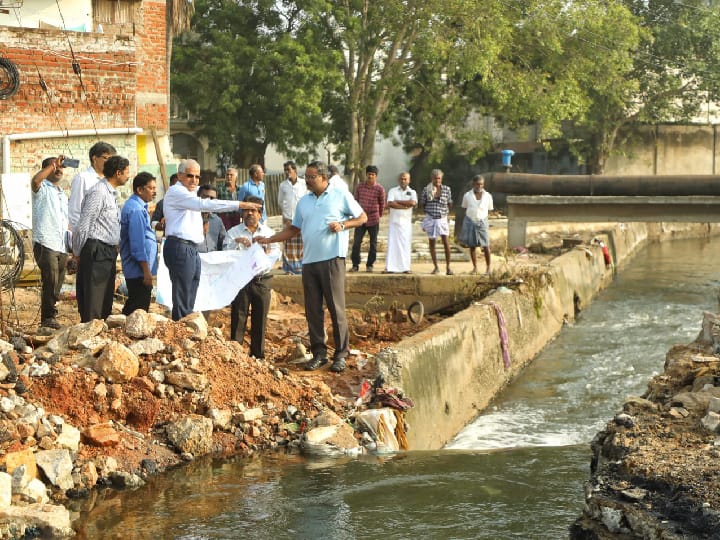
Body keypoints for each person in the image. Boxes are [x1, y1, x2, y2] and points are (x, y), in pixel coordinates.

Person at [257, 160, 367, 373]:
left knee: (336, 309)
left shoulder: (339, 195)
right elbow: (293, 229)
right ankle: (319, 353)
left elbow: (362, 217)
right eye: (306, 176)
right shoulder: (304, 201)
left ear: (324, 178)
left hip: (332, 260)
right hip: (309, 262)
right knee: (313, 310)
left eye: (311, 177)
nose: (307, 180)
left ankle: (341, 354)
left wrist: (343, 225)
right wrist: (269, 239)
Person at [162, 159, 261, 321]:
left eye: (197, 177)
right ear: (179, 176)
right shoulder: (176, 191)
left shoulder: (190, 192)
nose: (194, 180)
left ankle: (187, 331)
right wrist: (240, 205)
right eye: (190, 176)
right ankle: (181, 331)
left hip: (192, 248)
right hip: (180, 247)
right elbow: (206, 204)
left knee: (191, 295)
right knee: (182, 296)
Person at [72, 155, 130, 322]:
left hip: (107, 251)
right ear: (118, 173)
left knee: (104, 298)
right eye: (126, 172)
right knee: (93, 299)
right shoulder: (98, 192)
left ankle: (100, 335)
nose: (128, 176)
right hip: (95, 250)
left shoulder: (110, 193)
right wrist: (77, 252)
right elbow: (84, 224)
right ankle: (89, 336)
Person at [225, 196, 280, 359]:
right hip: (240, 280)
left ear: (260, 213)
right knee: (238, 317)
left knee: (260, 318)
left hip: (261, 280)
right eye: (246, 210)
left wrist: (263, 255)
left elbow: (275, 254)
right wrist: (237, 243)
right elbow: (226, 253)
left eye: (254, 210)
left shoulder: (269, 234)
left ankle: (258, 355)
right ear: (242, 212)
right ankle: (235, 356)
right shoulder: (233, 233)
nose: (250, 213)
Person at [31, 155, 70, 329]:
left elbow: (65, 220)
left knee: (59, 281)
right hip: (45, 241)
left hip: (61, 243)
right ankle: (47, 318)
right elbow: (36, 180)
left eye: (61, 168)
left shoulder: (62, 193)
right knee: (51, 280)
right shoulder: (42, 188)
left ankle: (51, 315)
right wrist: (53, 165)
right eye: (55, 167)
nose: (59, 170)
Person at [120, 172, 158, 315]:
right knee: (137, 309)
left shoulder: (139, 207)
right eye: (151, 188)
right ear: (140, 190)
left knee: (136, 305)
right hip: (138, 270)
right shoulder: (135, 210)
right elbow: (137, 245)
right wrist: (146, 272)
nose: (154, 192)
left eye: (155, 188)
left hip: (138, 270)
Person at [68, 141, 116, 229]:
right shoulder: (83, 178)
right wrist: (80, 236)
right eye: (106, 158)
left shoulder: (109, 180)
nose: (110, 162)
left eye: (112, 159)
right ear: (94, 159)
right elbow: (75, 210)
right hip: (89, 237)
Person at [350, 165, 385, 272]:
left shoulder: (380, 189)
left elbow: (382, 203)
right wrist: (356, 215)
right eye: (369, 174)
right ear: (366, 175)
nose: (370, 176)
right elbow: (355, 201)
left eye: (373, 175)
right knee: (356, 242)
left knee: (373, 243)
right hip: (360, 218)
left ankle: (370, 264)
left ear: (376, 176)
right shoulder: (360, 186)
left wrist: (379, 215)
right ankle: (355, 265)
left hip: (374, 218)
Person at [419, 168, 454, 275]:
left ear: (441, 178)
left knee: (446, 242)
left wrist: (446, 209)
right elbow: (422, 204)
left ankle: (448, 267)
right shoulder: (426, 189)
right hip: (431, 218)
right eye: (435, 178)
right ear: (432, 178)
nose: (437, 180)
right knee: (432, 243)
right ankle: (436, 267)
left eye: (439, 178)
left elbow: (449, 203)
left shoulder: (447, 189)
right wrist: (431, 195)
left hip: (442, 218)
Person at [460, 174, 494, 275]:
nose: (479, 186)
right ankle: (475, 268)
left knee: (486, 246)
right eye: (478, 184)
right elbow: (465, 207)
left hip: (482, 221)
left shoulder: (488, 196)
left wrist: (484, 220)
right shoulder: (467, 195)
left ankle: (488, 269)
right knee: (472, 246)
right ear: (473, 184)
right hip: (470, 221)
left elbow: (490, 209)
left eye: (481, 184)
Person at [277, 160, 307, 274]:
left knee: (301, 243)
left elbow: (307, 199)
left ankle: (300, 267)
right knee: (288, 243)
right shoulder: (283, 185)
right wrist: (286, 215)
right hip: (288, 219)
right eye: (285, 170)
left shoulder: (303, 184)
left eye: (289, 169)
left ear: (294, 170)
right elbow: (280, 201)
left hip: (302, 218)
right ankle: (288, 268)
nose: (287, 172)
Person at [385, 171, 417, 274]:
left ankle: (405, 268)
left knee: (405, 245)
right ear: (399, 180)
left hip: (406, 224)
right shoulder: (393, 191)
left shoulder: (412, 192)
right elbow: (390, 203)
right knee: (392, 245)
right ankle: (391, 267)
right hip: (394, 223)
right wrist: (404, 207)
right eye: (401, 179)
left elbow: (412, 203)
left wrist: (397, 202)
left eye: (405, 179)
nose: (403, 181)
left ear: (409, 180)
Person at [196, 184, 227, 253]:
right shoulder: (188, 218)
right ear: (198, 197)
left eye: (212, 198)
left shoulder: (217, 220)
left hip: (213, 260)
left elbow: (224, 241)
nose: (209, 201)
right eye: (205, 197)